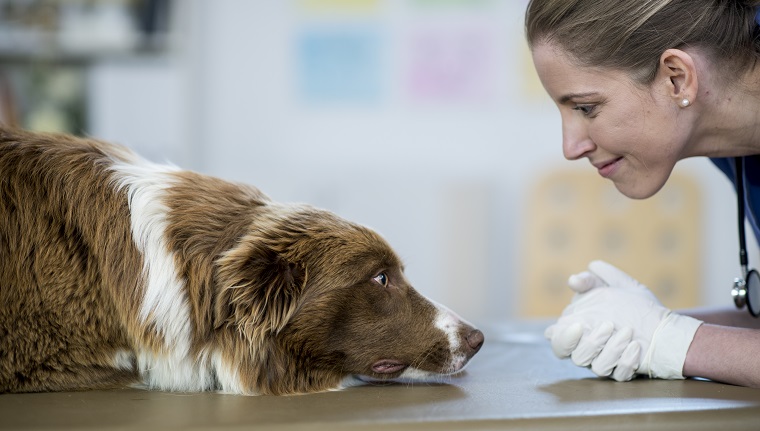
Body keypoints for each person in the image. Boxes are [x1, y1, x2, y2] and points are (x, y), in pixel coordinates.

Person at [525, 0, 760, 388]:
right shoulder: (735, 151)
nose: (571, 147)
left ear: (677, 79)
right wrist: (635, 325)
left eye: (586, 108)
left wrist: (673, 342)